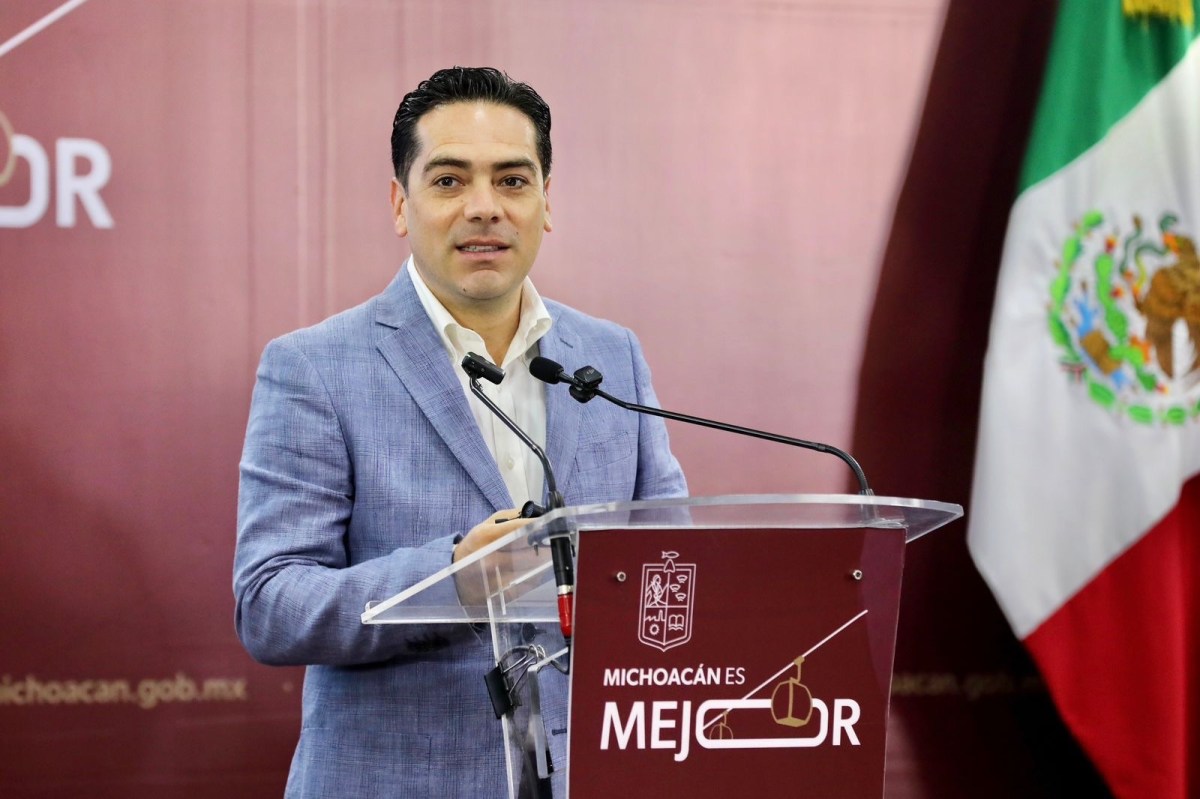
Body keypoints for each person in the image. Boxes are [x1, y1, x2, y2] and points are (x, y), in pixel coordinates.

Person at [233, 66, 687, 798]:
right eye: (449, 181)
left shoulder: (610, 358)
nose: (484, 208)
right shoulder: (314, 367)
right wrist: (452, 579)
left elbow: (674, 561)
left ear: (546, 201)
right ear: (400, 204)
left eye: (512, 181)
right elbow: (271, 605)